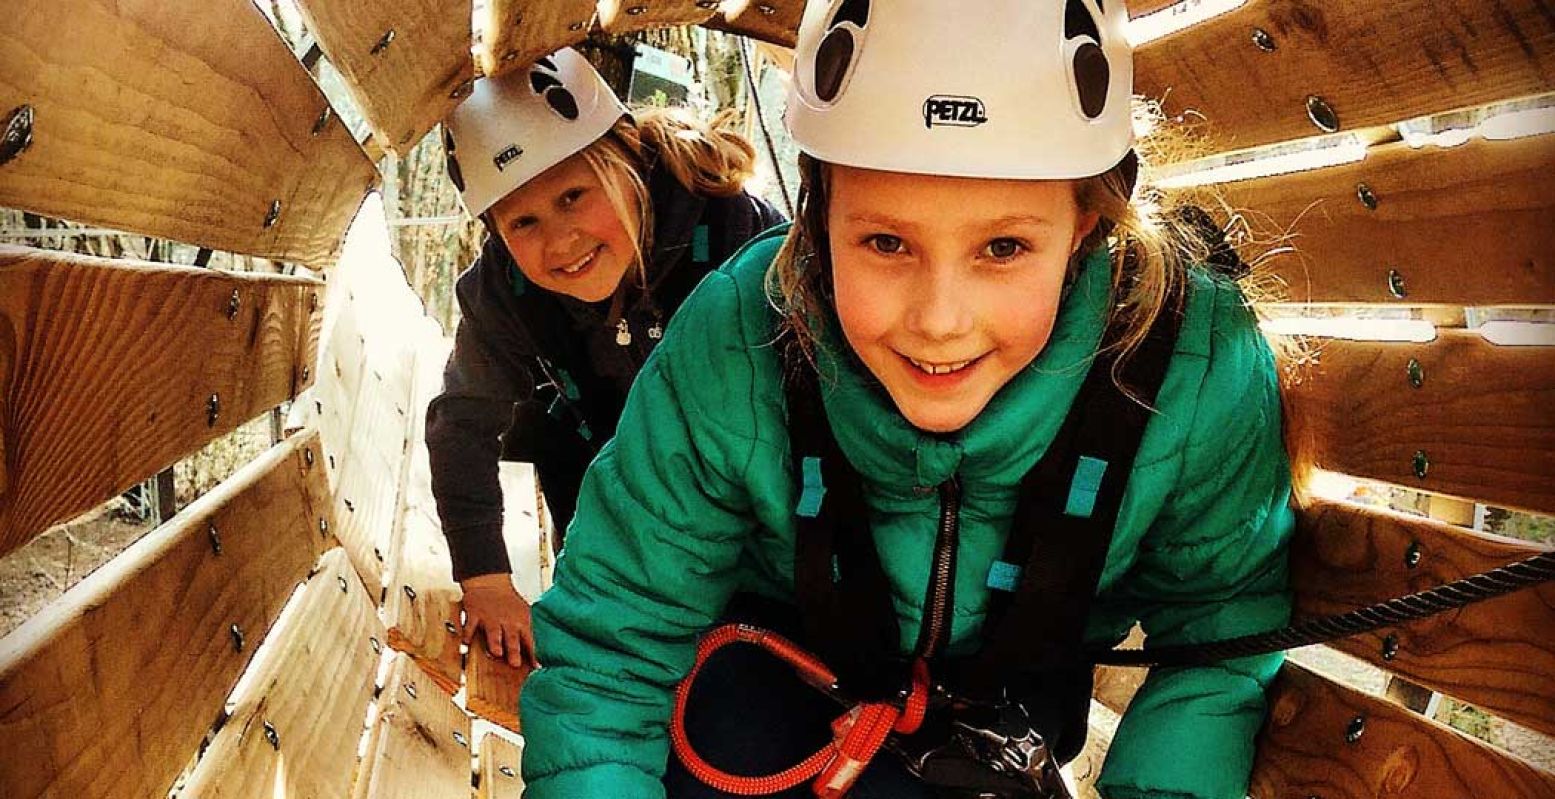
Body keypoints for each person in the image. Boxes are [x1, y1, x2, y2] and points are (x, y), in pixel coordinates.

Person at [521, 2, 1293, 797]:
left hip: (1001, 708)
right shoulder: (737, 336)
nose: (938, 323)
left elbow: (1219, 625)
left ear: (1087, 226)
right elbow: (613, 646)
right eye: (885, 243)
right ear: (818, 221)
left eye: (1003, 247)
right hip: (767, 682)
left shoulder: (1187, 360)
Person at [425, 48, 786, 671]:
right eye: (523, 223)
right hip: (603, 475)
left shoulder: (731, 229)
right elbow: (462, 421)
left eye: (573, 196)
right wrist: (485, 576)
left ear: (627, 162)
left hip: (748, 470)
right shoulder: (504, 294)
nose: (560, 241)